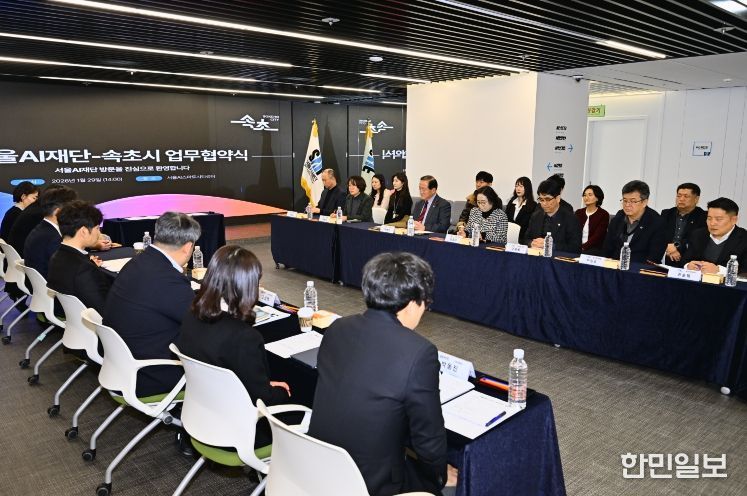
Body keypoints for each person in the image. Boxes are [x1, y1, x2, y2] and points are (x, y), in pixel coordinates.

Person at [309, 252, 452, 496]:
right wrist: (440, 477)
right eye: (426, 303)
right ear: (412, 303)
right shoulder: (419, 352)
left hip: (318, 465)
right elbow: (429, 440)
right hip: (372, 484)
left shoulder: (337, 328)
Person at [176, 245, 291, 446]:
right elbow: (261, 399)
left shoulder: (191, 315)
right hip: (241, 431)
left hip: (200, 413)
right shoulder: (244, 337)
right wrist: (278, 392)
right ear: (246, 287)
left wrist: (263, 387)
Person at [103, 212, 201, 397]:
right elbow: (200, 324)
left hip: (120, 364)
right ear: (188, 247)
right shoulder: (169, 279)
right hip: (149, 374)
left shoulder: (138, 262)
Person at [47, 201, 112, 315]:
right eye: (97, 228)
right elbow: (103, 309)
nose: (99, 233)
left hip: (70, 316)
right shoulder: (84, 269)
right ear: (84, 231)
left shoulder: (57, 255)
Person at [604, 180, 667, 263]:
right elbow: (607, 249)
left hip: (640, 268)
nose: (627, 205)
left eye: (633, 201)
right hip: (614, 266)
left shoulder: (657, 222)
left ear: (644, 202)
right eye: (625, 200)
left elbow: (654, 258)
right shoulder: (618, 217)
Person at [23, 185, 78, 279]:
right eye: (70, 210)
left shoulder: (42, 228)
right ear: (57, 212)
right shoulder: (52, 238)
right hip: (51, 283)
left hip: (39, 282)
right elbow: (65, 270)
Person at [683, 197, 747, 274]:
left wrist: (719, 270)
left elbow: (744, 270)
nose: (712, 223)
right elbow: (685, 260)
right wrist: (688, 266)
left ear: (734, 220)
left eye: (718, 219)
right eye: (709, 218)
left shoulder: (744, 239)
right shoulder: (698, 234)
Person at [524, 179, 582, 253]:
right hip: (536, 256)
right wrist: (531, 243)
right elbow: (525, 239)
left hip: (557, 258)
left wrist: (551, 246)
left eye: (548, 199)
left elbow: (575, 248)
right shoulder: (535, 216)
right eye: (541, 200)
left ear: (558, 198)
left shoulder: (571, 219)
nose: (544, 203)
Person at [660, 183, 706, 267]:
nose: (681, 199)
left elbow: (697, 240)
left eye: (686, 196)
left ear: (696, 199)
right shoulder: (667, 213)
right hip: (664, 256)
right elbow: (658, 234)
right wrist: (667, 246)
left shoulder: (703, 217)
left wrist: (676, 247)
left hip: (689, 260)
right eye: (679, 196)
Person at [575, 185, 610, 255]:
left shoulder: (603, 214)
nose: (586, 197)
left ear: (597, 198)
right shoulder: (578, 212)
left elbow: (598, 236)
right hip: (578, 247)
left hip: (594, 249)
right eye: (584, 195)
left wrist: (582, 247)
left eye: (590, 195)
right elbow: (573, 232)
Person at [505, 176, 536, 243]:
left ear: (527, 188)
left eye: (521, 186)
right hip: (509, 238)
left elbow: (530, 226)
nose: (518, 189)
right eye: (516, 186)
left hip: (523, 239)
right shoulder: (511, 202)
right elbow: (506, 220)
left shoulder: (533, 205)